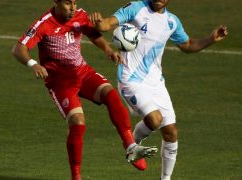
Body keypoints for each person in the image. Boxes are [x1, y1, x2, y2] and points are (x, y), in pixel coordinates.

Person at [11, 0, 159, 179]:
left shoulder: (80, 15)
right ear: (56, 2)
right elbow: (19, 48)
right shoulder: (44, 23)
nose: (73, 8)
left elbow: (93, 33)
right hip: (61, 82)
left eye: (74, 3)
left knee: (110, 94)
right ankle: (76, 176)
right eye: (67, 3)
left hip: (82, 72)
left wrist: (108, 49)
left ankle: (131, 147)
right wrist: (33, 64)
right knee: (78, 122)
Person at [90, 0, 228, 179]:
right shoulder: (136, 8)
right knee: (155, 120)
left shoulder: (172, 21)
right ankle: (131, 145)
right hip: (131, 79)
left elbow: (187, 45)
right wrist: (100, 23)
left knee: (171, 132)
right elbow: (108, 23)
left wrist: (211, 39)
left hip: (156, 82)